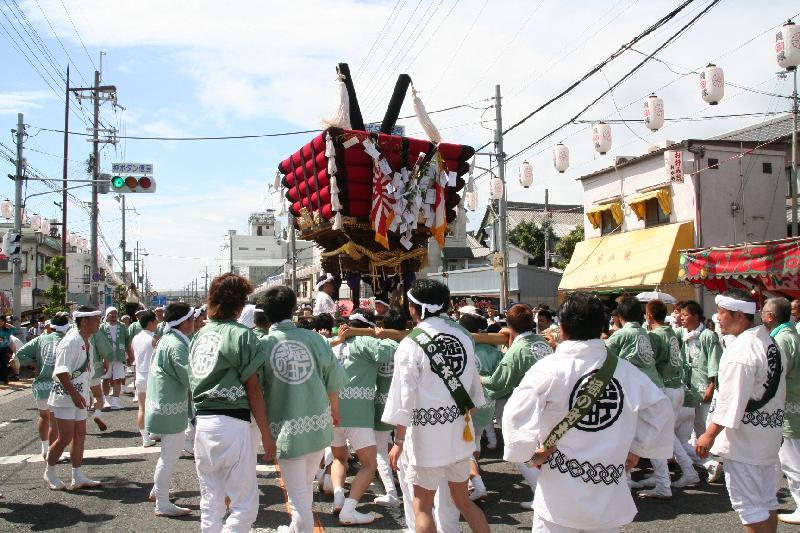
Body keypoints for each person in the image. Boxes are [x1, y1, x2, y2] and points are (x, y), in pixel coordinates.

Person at [503, 292, 673, 532]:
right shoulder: (626, 372)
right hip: (607, 489)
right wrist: (638, 448)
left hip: (558, 490)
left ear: (561, 328)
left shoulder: (549, 369)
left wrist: (528, 453)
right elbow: (660, 407)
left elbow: (515, 413)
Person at [384, 278, 490, 533]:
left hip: (426, 438)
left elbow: (404, 397)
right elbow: (474, 391)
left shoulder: (410, 344)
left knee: (422, 507)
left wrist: (398, 442)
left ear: (414, 308)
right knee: (463, 501)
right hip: (459, 433)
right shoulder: (463, 337)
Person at [189, 273, 275, 532]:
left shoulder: (200, 335)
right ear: (240, 304)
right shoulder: (242, 335)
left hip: (202, 422)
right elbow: (254, 390)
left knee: (211, 501)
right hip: (232, 423)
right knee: (244, 505)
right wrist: (267, 434)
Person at [696, 290, 787, 533]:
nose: (717, 318)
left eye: (721, 313)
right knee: (766, 503)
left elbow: (731, 401)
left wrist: (709, 434)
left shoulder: (742, 351)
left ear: (739, 315)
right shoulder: (769, 343)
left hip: (745, 442)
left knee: (749, 508)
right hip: (766, 436)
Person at [259, 285, 348, 533]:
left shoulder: (263, 345)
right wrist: (335, 409)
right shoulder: (316, 340)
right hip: (318, 425)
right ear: (294, 309)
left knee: (298, 498)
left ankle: (299, 528)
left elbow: (257, 389)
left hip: (286, 430)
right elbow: (333, 379)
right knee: (303, 491)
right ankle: (295, 528)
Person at [481, 303, 553, 509]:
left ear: (509, 325)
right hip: (552, 403)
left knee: (522, 452)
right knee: (545, 451)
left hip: (530, 406)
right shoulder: (542, 342)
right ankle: (548, 495)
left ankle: (542, 498)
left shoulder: (518, 349)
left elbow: (498, 383)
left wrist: (479, 379)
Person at [329, 309, 391, 524]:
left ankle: (339, 497)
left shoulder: (335, 343)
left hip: (331, 411)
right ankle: (349, 508)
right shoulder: (366, 342)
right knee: (368, 464)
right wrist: (382, 335)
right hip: (358, 413)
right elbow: (393, 352)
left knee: (339, 457)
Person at [632, 300, 699, 499]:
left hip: (665, 389)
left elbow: (648, 361)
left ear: (649, 315)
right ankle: (685, 472)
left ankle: (678, 475)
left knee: (658, 434)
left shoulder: (654, 336)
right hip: (676, 387)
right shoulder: (671, 332)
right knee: (666, 435)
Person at [145, 302, 196, 517]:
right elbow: (189, 377)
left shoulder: (169, 339)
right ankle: (162, 503)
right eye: (193, 318)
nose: (195, 321)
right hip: (170, 406)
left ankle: (158, 491)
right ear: (184, 323)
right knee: (170, 454)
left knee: (168, 454)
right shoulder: (176, 345)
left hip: (163, 403)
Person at [43, 306, 103, 491]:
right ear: (84, 321)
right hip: (65, 396)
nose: (98, 323)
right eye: (95, 320)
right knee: (65, 436)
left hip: (79, 395)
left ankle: (77, 475)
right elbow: (61, 372)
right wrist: (75, 394)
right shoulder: (70, 341)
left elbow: (87, 372)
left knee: (79, 435)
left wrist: (92, 394)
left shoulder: (88, 341)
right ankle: (50, 471)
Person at [761, 298, 800, 525]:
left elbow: (775, 377)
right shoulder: (792, 335)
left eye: (763, 311)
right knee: (778, 457)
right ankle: (768, 495)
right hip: (792, 405)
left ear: (770, 316)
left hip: (789, 407)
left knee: (791, 461)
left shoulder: (781, 340)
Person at [458, 310, 502, 502]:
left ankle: (475, 482)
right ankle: (473, 477)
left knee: (464, 445)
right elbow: (499, 380)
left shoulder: (462, 348)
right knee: (474, 441)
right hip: (487, 401)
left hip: (467, 402)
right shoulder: (494, 351)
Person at [16, 312, 71, 459]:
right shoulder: (68, 340)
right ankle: (53, 453)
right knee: (55, 420)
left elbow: (20, 353)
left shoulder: (41, 339)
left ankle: (44, 448)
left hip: (41, 383)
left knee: (44, 416)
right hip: (59, 383)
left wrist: (34, 364)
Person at [681, 300, 724, 481]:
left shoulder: (707, 335)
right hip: (688, 387)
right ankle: (706, 462)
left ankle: (709, 463)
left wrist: (711, 386)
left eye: (685, 314)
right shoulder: (683, 335)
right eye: (681, 314)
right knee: (693, 428)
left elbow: (715, 362)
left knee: (702, 426)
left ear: (696, 316)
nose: (682, 318)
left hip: (703, 387)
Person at [373, 309, 407, 509]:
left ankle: (391, 493)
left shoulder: (379, 345)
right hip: (405, 402)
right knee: (402, 446)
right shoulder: (410, 344)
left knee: (381, 450)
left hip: (382, 402)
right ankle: (403, 485)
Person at [132, 310, 158, 447]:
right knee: (155, 406)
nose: (157, 323)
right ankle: (154, 431)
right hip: (151, 376)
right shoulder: (154, 339)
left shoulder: (136, 338)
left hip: (139, 376)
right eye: (155, 321)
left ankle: (145, 437)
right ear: (150, 323)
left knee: (142, 408)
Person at [99, 307, 133, 410]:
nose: (113, 316)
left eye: (115, 314)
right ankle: (105, 401)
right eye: (111, 314)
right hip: (106, 357)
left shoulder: (122, 327)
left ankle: (115, 401)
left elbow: (127, 342)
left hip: (119, 356)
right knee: (105, 379)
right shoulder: (102, 327)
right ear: (107, 315)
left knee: (118, 379)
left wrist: (130, 355)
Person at [0, 315, 16, 385]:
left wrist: (6, 324)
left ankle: (5, 379)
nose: (0, 322)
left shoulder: (7, 330)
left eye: (2, 321)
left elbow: (14, 329)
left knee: (4, 364)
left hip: (4, 348)